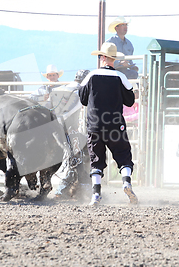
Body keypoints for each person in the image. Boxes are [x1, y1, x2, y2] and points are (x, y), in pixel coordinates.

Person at [79, 42, 138, 206]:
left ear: (103, 57)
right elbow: (130, 101)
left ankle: (96, 195)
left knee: (96, 159)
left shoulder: (90, 76)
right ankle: (126, 183)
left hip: (95, 124)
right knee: (123, 155)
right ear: (113, 59)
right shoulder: (121, 77)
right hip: (115, 124)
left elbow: (83, 99)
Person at [52, 69, 91, 199]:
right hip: (69, 129)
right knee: (75, 160)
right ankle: (67, 190)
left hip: (53, 128)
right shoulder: (79, 92)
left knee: (73, 159)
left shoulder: (63, 88)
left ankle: (70, 188)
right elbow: (68, 112)